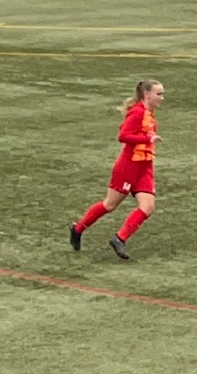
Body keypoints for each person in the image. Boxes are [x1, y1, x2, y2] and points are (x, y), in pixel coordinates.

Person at [68, 80, 165, 261]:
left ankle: (119, 238)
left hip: (145, 166)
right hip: (128, 166)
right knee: (110, 205)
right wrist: (147, 139)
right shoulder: (137, 112)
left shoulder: (148, 113)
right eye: (158, 94)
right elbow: (123, 136)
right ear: (147, 94)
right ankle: (78, 229)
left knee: (148, 207)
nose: (162, 98)